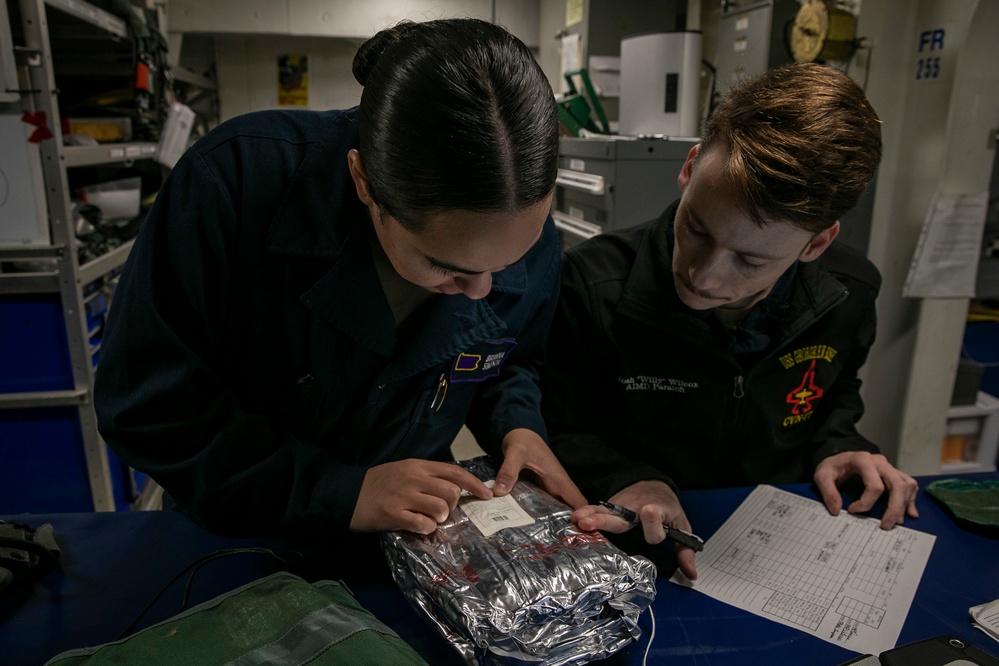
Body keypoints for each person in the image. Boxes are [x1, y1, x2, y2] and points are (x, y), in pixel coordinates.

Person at [94, 18, 586, 540]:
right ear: (364, 182)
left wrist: (518, 424)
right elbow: (149, 408)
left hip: (413, 536)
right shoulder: (232, 187)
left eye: (508, 263)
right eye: (446, 267)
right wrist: (336, 490)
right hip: (240, 528)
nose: (483, 288)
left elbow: (508, 356)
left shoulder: (518, 215)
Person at [541, 63, 919, 580]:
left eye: (750, 260)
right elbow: (559, 425)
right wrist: (630, 477)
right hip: (640, 543)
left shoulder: (850, 294)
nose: (702, 275)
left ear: (816, 244)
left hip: (781, 544)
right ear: (691, 167)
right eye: (696, 227)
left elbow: (834, 397)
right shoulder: (591, 286)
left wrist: (840, 445)